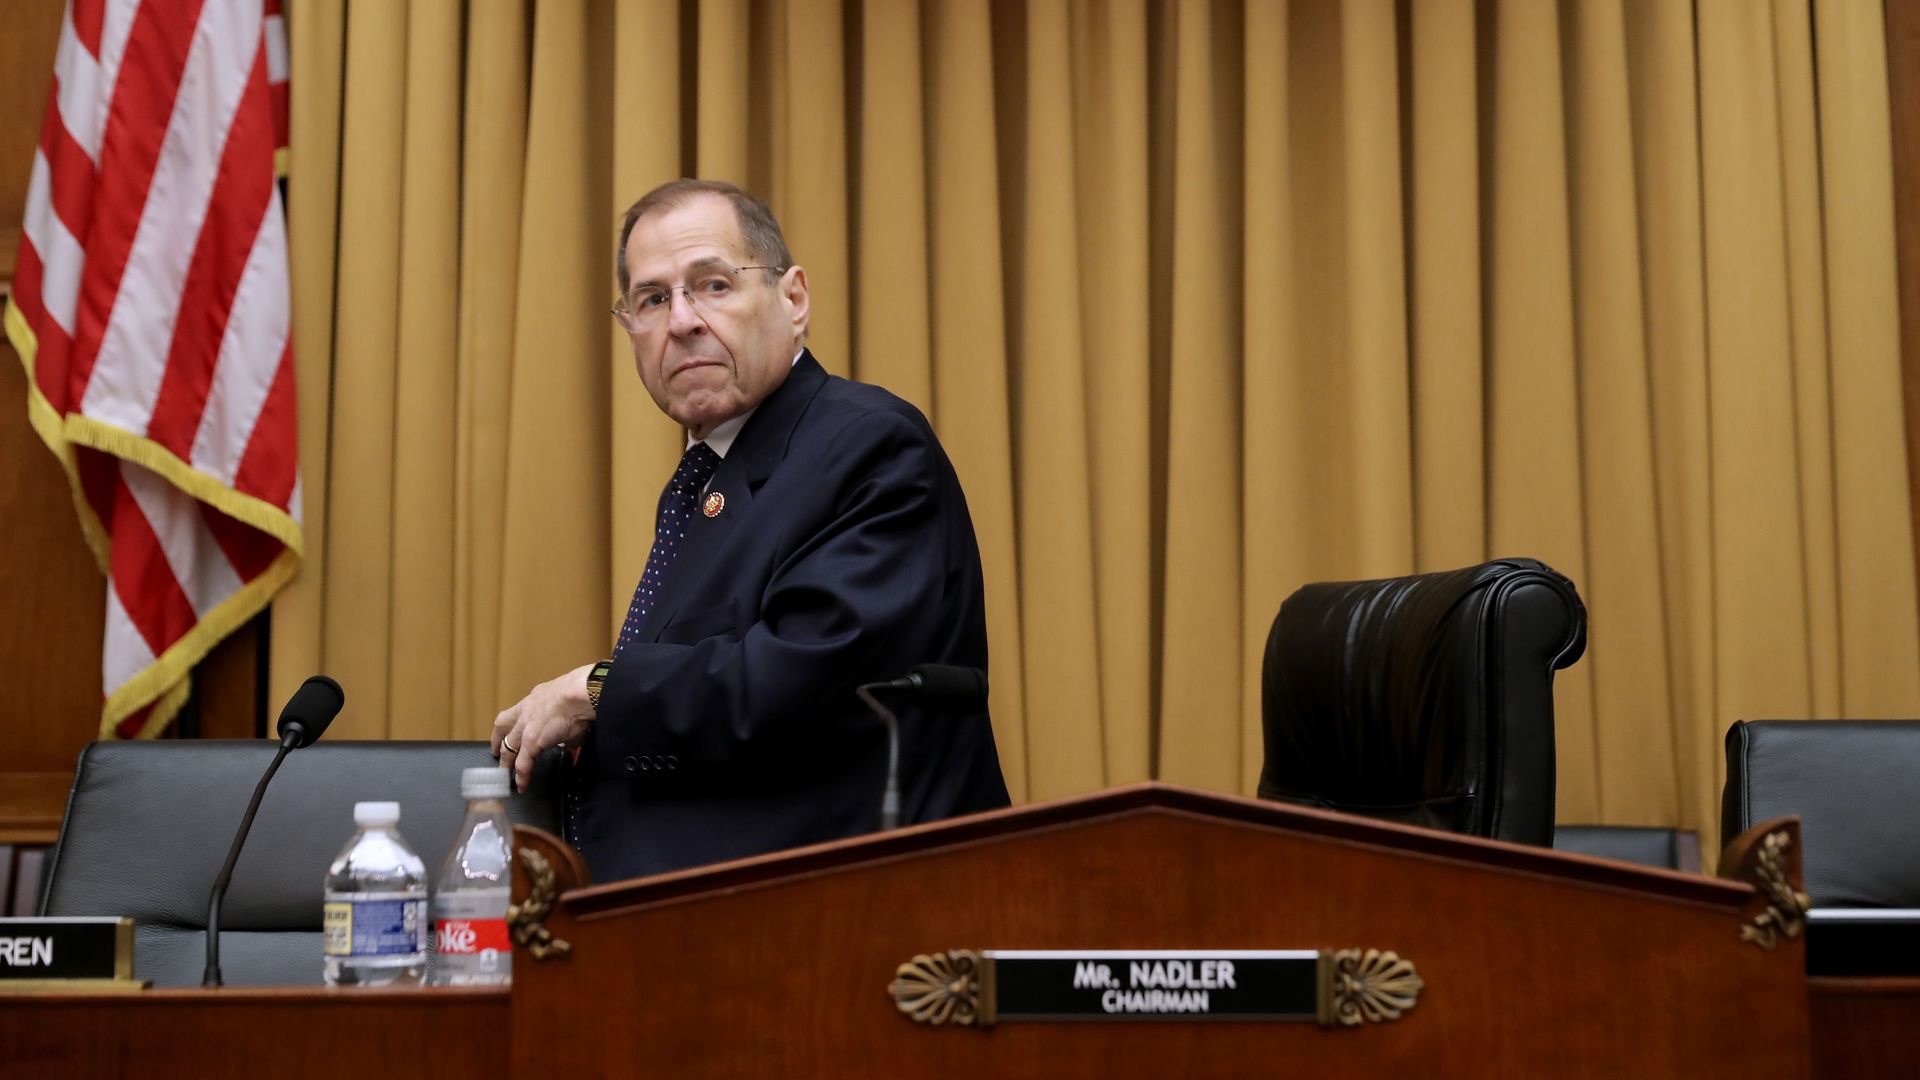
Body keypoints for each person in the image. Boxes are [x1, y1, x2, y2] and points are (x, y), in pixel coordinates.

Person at [491, 179, 1009, 882]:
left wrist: (599, 689)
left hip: (838, 918)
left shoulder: (868, 446)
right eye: (652, 299)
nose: (682, 321)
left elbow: (797, 680)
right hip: (692, 920)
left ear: (793, 300)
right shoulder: (710, 479)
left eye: (713, 285)